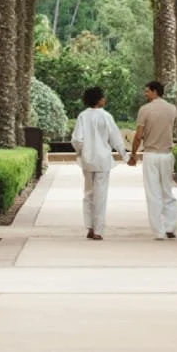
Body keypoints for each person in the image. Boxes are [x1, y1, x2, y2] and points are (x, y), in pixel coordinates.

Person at [70, 85, 126, 240]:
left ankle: (89, 227)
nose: (105, 99)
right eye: (103, 97)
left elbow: (76, 139)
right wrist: (126, 156)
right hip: (102, 160)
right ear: (99, 100)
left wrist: (82, 152)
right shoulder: (106, 116)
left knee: (88, 193)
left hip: (87, 161)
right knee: (100, 194)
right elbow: (116, 138)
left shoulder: (82, 116)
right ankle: (98, 230)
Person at [127, 80, 177, 240]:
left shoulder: (145, 110)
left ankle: (159, 231)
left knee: (153, 193)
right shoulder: (172, 109)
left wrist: (133, 154)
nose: (145, 94)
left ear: (155, 91)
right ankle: (170, 226)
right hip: (167, 154)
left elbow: (139, 135)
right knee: (167, 191)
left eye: (147, 91)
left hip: (151, 154)